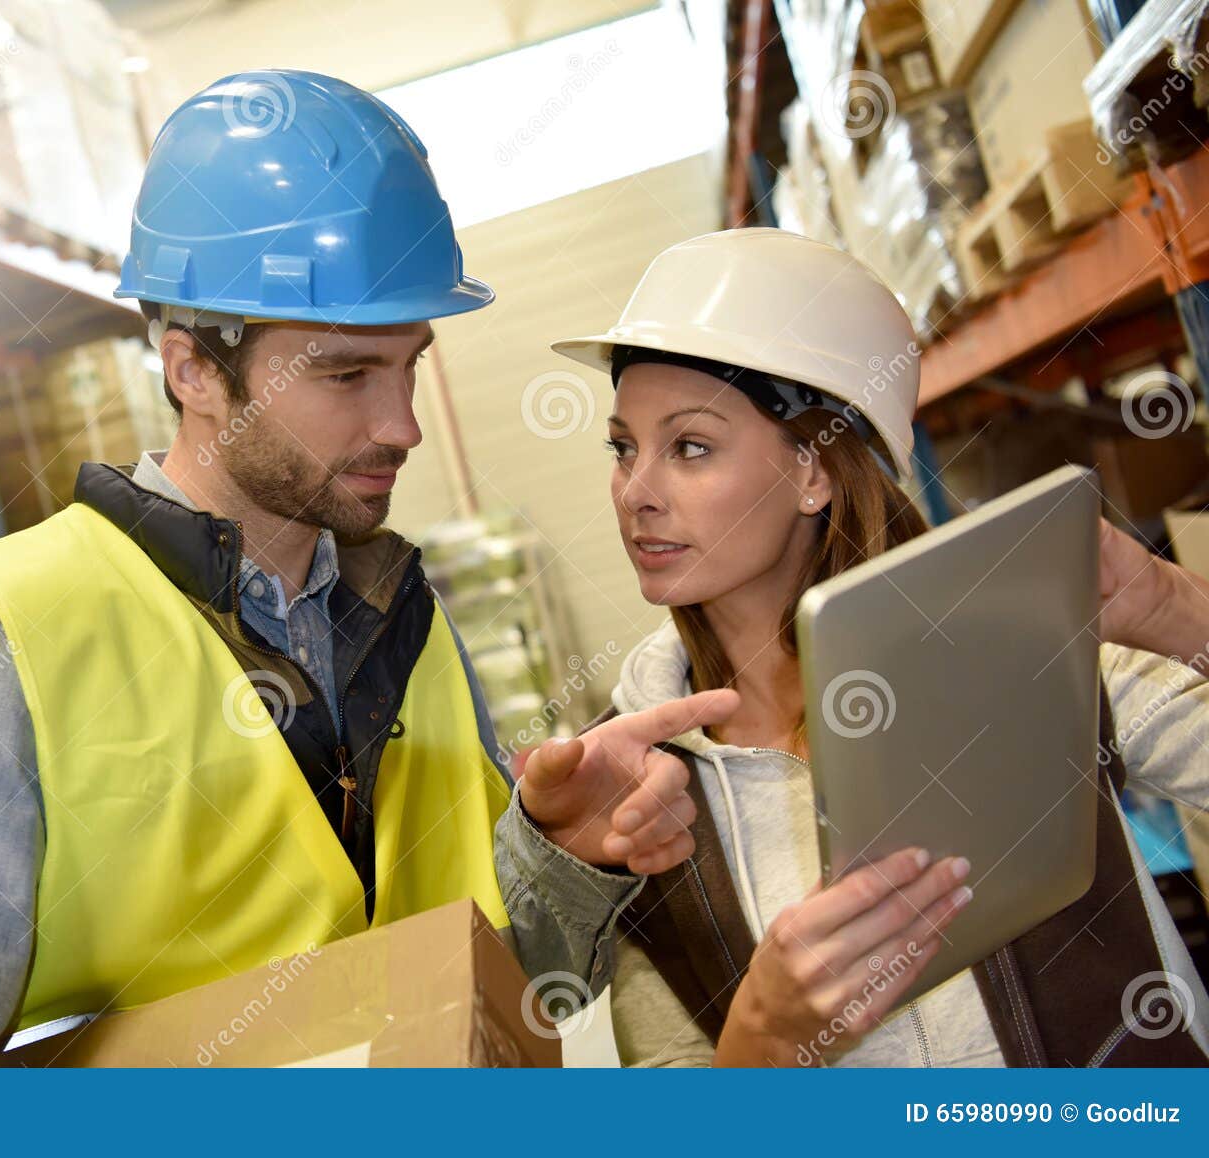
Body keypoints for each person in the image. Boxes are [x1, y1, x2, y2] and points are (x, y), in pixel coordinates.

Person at [0, 70, 688, 1065]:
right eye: (344, 375)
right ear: (193, 369)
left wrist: (559, 849)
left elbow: (482, 985)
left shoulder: (403, 616)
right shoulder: (8, 647)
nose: (401, 425)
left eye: (408, 363)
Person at [497, 227, 1209, 1066]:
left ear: (814, 471)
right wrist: (763, 1038)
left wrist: (1175, 609)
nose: (635, 494)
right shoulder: (640, 788)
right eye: (623, 449)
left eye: (690, 447)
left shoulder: (1008, 644)